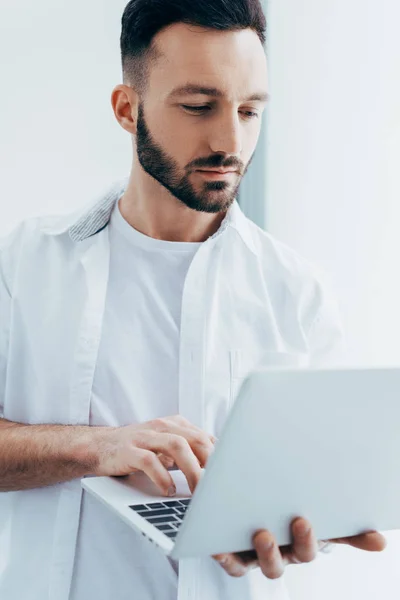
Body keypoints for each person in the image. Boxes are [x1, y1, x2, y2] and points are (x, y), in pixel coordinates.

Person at [0, 0, 386, 599]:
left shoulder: (297, 295)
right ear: (128, 110)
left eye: (250, 110)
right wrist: (95, 447)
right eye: (199, 106)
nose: (231, 140)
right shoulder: (23, 265)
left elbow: (312, 486)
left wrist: (307, 528)